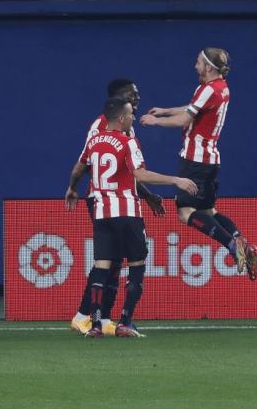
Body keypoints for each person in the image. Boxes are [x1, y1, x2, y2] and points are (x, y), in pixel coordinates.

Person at [66, 97, 197, 338]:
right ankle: (125, 321)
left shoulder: (93, 141)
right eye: (130, 114)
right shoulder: (128, 142)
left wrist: (72, 188)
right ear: (120, 118)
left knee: (102, 266)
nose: (133, 118)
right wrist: (175, 180)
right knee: (136, 265)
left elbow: (78, 168)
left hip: (102, 213)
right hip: (127, 211)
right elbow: (141, 174)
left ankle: (95, 325)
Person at [139, 47, 257, 280]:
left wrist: (156, 121)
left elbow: (185, 119)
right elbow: (193, 108)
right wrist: (165, 111)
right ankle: (240, 239)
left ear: (209, 67)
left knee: (185, 213)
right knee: (208, 211)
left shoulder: (208, 89)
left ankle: (233, 246)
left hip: (195, 161)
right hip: (210, 160)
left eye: (199, 62)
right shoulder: (221, 88)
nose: (196, 66)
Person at [71, 79, 165, 336]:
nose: (137, 98)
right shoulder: (101, 127)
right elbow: (95, 165)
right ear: (118, 98)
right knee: (114, 262)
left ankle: (102, 320)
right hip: (105, 199)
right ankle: (84, 315)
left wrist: (146, 196)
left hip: (114, 199)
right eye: (132, 95)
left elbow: (126, 171)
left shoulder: (122, 127)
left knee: (109, 262)